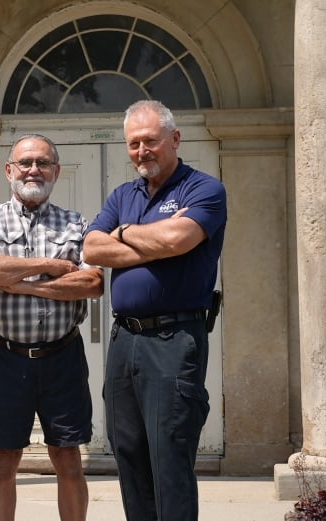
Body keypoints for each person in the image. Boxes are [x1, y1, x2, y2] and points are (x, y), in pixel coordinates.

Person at [83, 100, 227, 521]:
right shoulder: (122, 194)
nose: (141, 151)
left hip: (173, 341)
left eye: (150, 141)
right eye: (133, 144)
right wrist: (148, 239)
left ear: (175, 139)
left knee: (169, 456)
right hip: (124, 341)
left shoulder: (203, 189)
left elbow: (177, 241)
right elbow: (92, 247)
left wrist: (123, 234)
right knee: (129, 453)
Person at [0, 134, 104, 521]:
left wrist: (21, 283)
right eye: (25, 162)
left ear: (56, 172)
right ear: (9, 170)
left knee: (69, 458)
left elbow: (92, 283)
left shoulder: (75, 223)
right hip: (2, 357)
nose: (33, 170)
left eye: (43, 163)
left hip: (62, 357)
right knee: (4, 462)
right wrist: (53, 265)